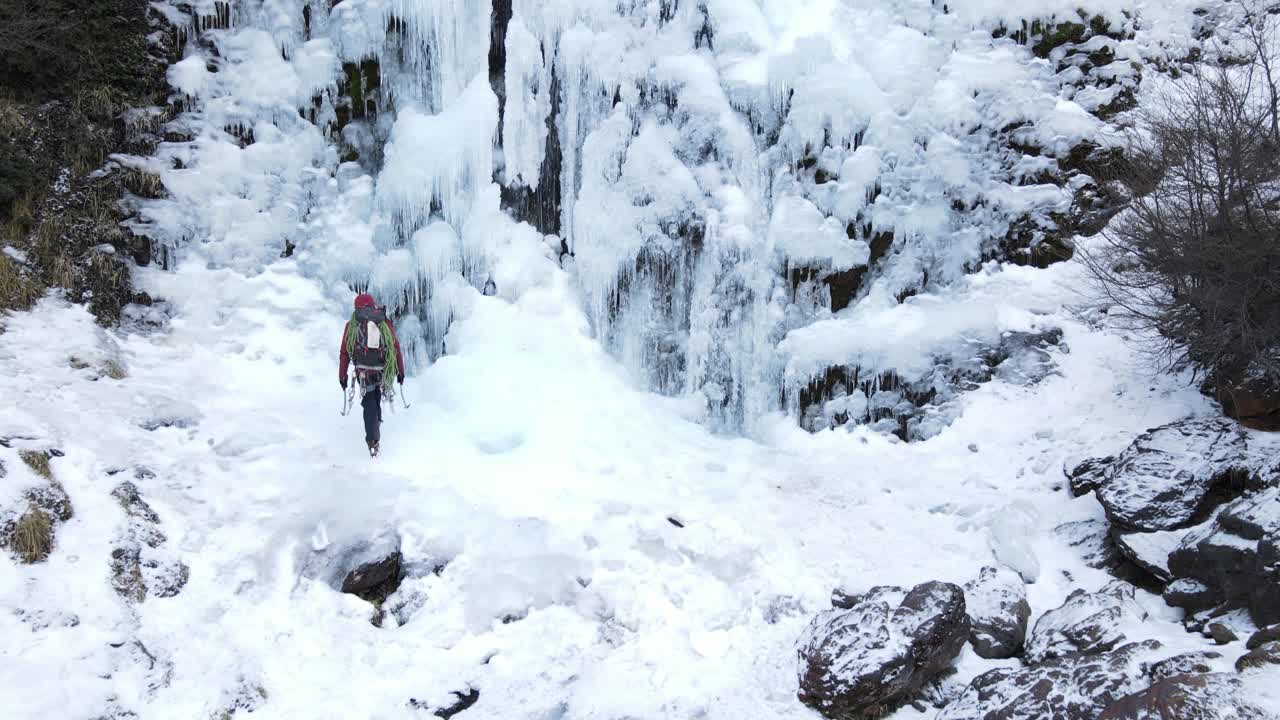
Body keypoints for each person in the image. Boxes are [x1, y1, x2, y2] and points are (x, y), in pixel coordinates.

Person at [339, 293, 404, 456]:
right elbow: (395, 347)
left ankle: (372, 440)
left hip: (363, 370)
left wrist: (342, 375)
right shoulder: (383, 322)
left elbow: (345, 352)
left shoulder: (352, 325)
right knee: (376, 395)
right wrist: (400, 371)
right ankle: (376, 424)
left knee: (368, 400)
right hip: (382, 369)